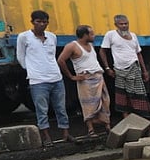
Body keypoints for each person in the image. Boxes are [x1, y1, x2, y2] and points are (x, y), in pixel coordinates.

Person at [16, 10, 71, 146]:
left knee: (61, 108)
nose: (41, 24)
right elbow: (20, 56)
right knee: (42, 110)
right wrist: (31, 70)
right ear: (32, 22)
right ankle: (46, 137)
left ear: (47, 23)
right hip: (38, 81)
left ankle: (66, 134)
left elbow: (52, 56)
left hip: (56, 77)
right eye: (38, 22)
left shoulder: (52, 37)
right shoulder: (24, 37)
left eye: (44, 22)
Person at [56, 25, 111, 137]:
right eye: (91, 34)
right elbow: (61, 60)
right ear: (85, 35)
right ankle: (91, 130)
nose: (94, 36)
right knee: (88, 104)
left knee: (105, 102)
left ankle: (107, 127)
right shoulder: (72, 46)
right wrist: (71, 76)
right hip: (85, 78)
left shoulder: (91, 45)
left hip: (98, 76)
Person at [102, 14, 150, 119]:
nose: (124, 26)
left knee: (138, 93)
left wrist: (145, 71)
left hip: (134, 68)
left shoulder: (133, 36)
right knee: (122, 96)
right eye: (121, 24)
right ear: (116, 25)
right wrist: (107, 68)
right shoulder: (110, 35)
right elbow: (102, 51)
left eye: (126, 23)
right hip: (119, 70)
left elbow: (138, 53)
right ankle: (126, 119)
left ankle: (140, 117)